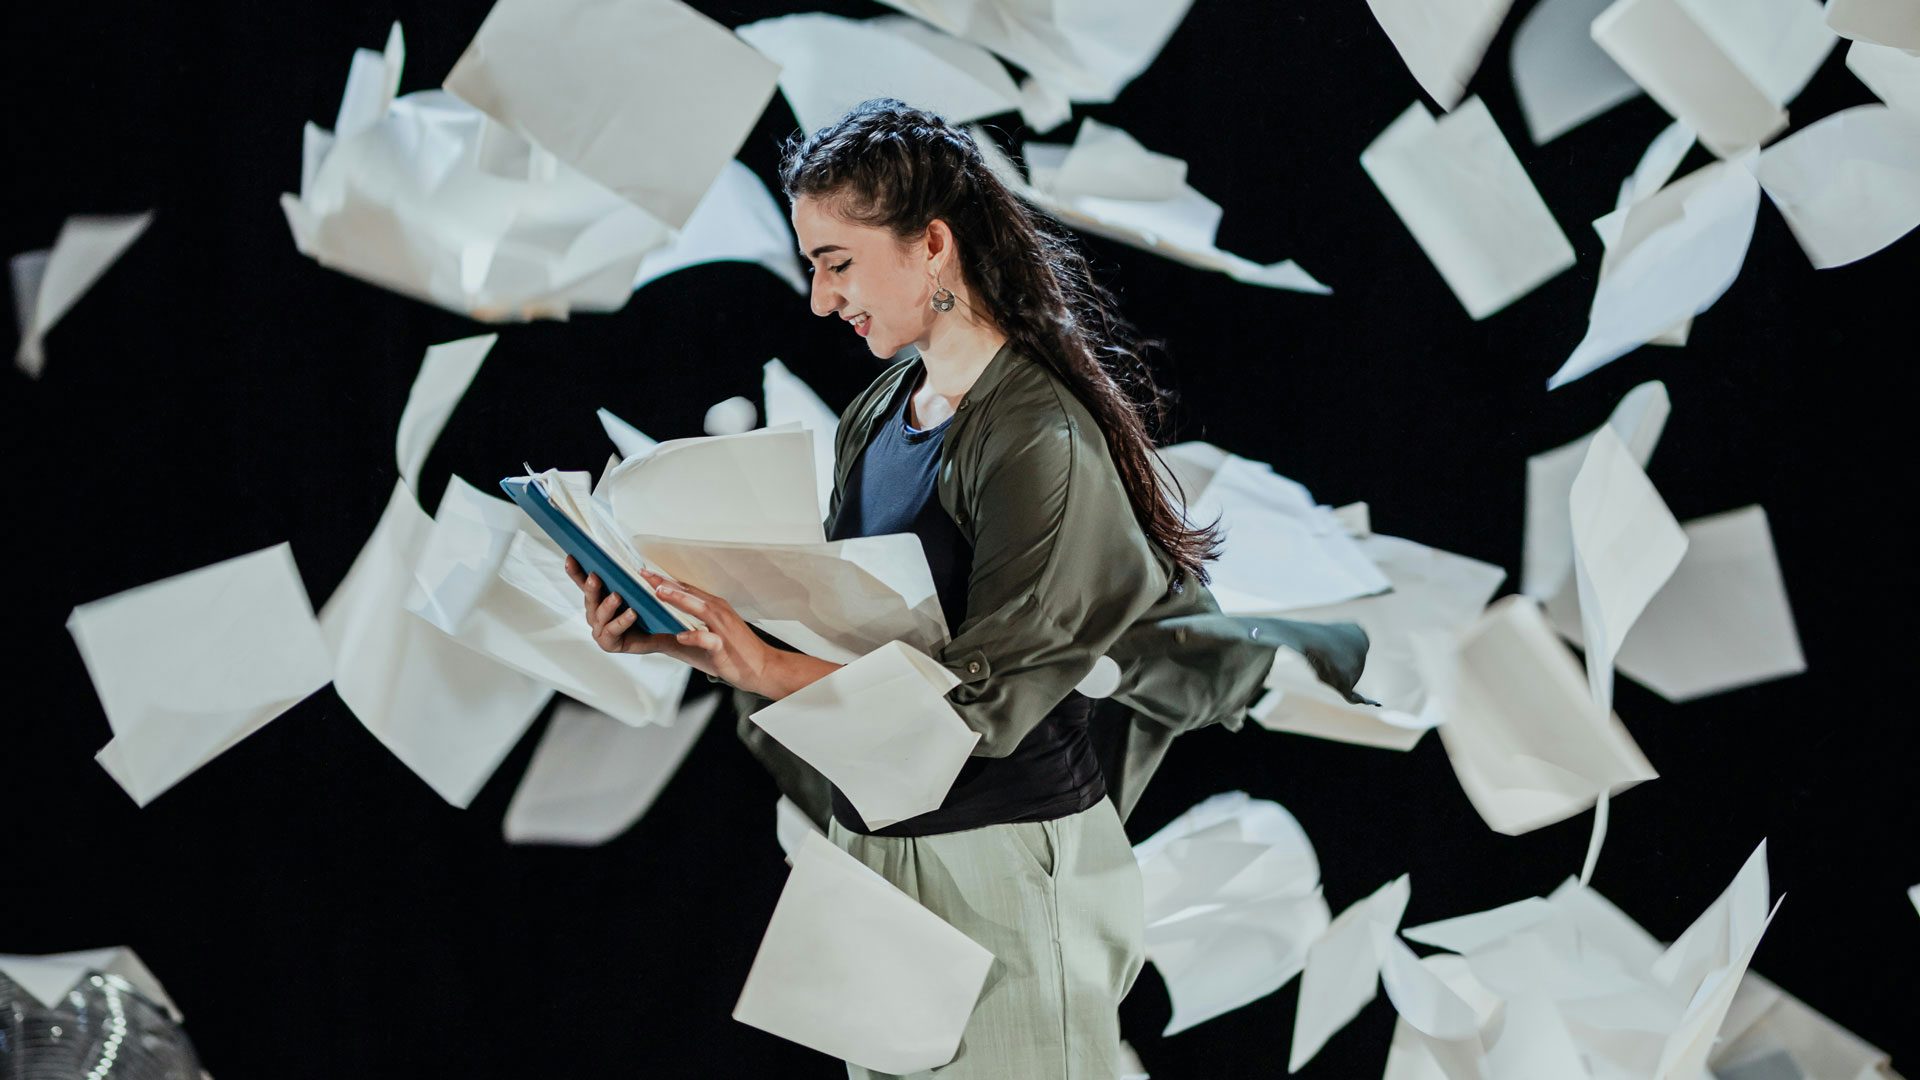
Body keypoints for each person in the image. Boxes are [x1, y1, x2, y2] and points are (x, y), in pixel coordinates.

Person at [566, 99, 1370, 1080]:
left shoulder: (1039, 437)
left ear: (932, 245)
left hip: (1001, 863)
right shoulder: (878, 410)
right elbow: (852, 629)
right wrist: (686, 631)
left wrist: (758, 658)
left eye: (838, 262)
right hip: (880, 855)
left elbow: (982, 704)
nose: (820, 300)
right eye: (814, 265)